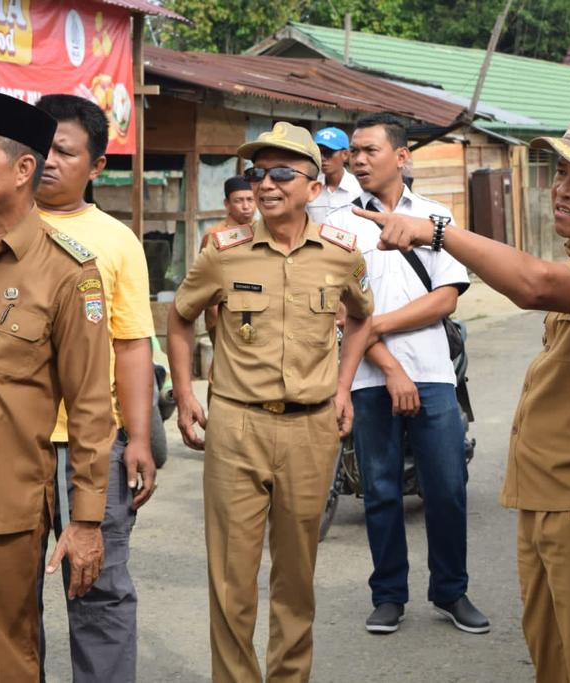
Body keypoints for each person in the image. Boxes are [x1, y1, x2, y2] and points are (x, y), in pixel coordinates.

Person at [358, 106, 570, 682]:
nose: (564, 189)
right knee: (554, 663)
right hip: (553, 496)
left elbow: (533, 285)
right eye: (561, 173)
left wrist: (437, 230)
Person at [167, 121, 373, 683]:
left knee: (296, 579)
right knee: (232, 581)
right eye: (259, 172)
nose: (267, 184)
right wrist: (186, 393)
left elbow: (361, 318)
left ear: (313, 185)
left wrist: (342, 384)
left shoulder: (341, 253)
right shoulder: (222, 251)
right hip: (236, 427)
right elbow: (180, 318)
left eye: (283, 172)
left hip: (310, 430)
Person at [0, 89, 113, 680]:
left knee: (3, 666)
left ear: (23, 169)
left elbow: (90, 407)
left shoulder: (68, 273)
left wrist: (86, 521)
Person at [324, 113, 488, 636]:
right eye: (354, 151)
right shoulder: (340, 226)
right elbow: (341, 315)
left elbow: (444, 298)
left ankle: (451, 591)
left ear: (402, 156)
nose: (359, 159)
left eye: (370, 150)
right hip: (371, 380)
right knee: (380, 490)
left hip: (436, 375)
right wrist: (389, 365)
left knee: (447, 487)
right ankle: (389, 594)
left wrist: (375, 325)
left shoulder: (436, 218)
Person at [34, 93, 157, 682]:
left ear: (97, 166)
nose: (48, 161)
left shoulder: (115, 241)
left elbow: (133, 344)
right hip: (5, 444)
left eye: (65, 151)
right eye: (40, 147)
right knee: (4, 597)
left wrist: (137, 436)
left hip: (92, 446)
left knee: (98, 590)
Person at [202, 175, 256, 335]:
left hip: (255, 309)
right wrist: (214, 316)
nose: (246, 206)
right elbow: (207, 279)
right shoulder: (215, 234)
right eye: (239, 201)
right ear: (227, 204)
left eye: (250, 200)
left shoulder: (263, 231)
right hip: (223, 311)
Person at [308, 126, 361, 224]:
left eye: (328, 152)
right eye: (319, 153)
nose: (322, 158)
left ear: (345, 154)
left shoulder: (359, 189)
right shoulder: (310, 187)